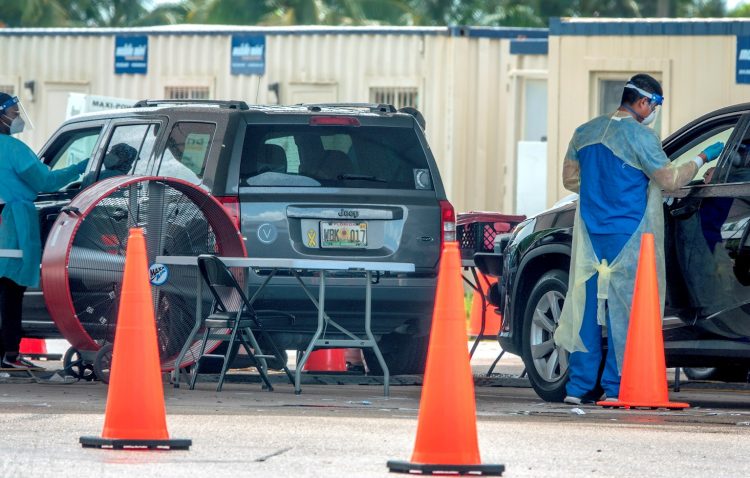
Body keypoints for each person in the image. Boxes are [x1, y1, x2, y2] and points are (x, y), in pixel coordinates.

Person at [553, 74, 724, 404]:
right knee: (626, 314)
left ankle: (578, 388)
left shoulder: (584, 132)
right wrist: (703, 158)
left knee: (586, 309)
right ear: (643, 102)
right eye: (656, 105)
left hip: (590, 235)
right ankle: (616, 387)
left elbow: (571, 179)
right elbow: (670, 180)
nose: (655, 111)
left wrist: (601, 192)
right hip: (627, 236)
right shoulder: (641, 138)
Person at [0, 92, 88, 369]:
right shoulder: (13, 149)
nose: (16, 116)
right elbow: (46, 180)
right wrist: (82, 167)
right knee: (10, 293)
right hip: (10, 225)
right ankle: (9, 355)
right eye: (13, 111)